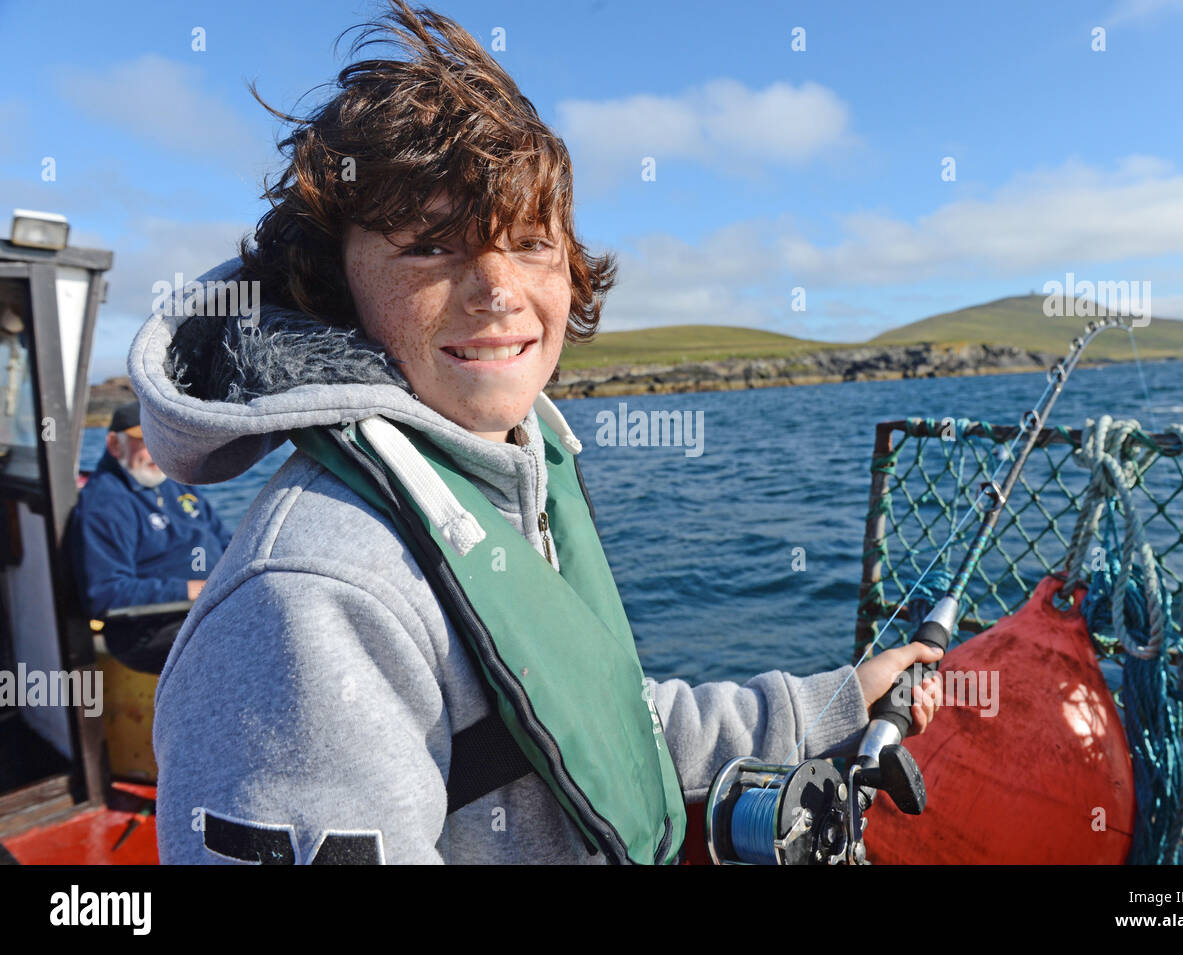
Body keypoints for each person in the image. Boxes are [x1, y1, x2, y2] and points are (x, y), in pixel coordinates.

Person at [130, 1, 944, 864]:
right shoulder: (309, 593)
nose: (495, 289)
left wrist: (832, 704)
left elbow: (599, 722)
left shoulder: (508, 473)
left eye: (528, 243)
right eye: (430, 248)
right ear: (335, 288)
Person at [67, 401, 231, 674]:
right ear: (114, 444)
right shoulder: (105, 504)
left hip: (209, 603)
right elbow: (105, 593)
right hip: (150, 629)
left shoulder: (173, 480)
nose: (158, 449)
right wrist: (191, 590)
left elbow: (223, 539)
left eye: (163, 438)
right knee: (243, 645)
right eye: (144, 440)